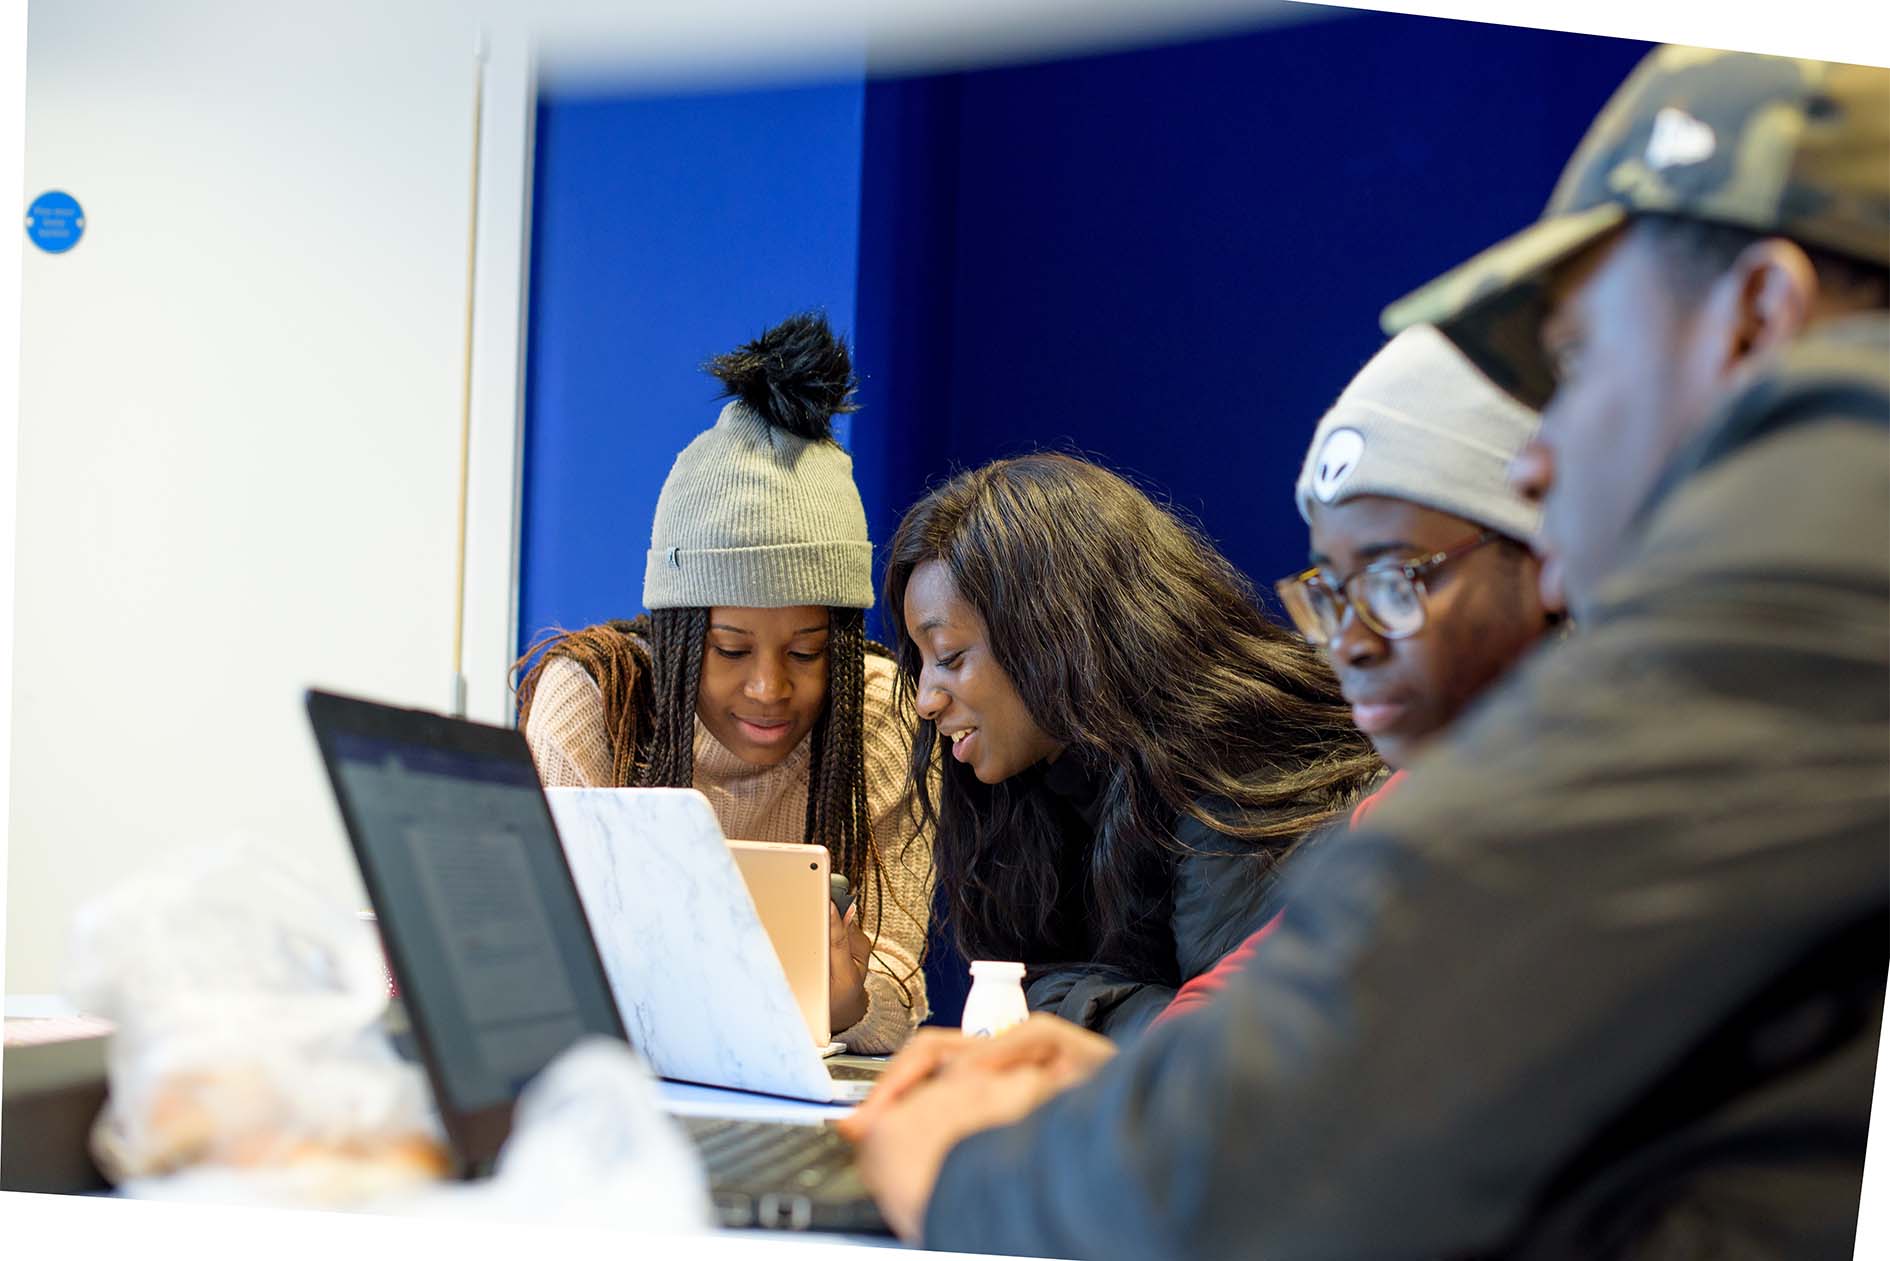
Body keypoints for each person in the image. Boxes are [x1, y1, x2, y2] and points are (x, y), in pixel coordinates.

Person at [840, 47, 1889, 1257]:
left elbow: (1263, 1159)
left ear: (1762, 317)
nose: (1536, 465)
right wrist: (1152, 1084)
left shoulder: (1787, 617)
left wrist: (969, 1170)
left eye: (1583, 365)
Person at [513, 312, 932, 1054]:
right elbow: (535, 954)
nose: (770, 687)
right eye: (730, 649)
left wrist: (848, 1002)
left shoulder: (877, 713)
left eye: (806, 653)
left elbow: (898, 982)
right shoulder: (595, 704)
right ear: (674, 639)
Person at [884, 453, 1382, 1040]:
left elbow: (1218, 1056)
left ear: (1054, 634)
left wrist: (1061, 1005)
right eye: (920, 664)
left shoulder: (1233, 772)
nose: (924, 700)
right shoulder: (1044, 784)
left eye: (949, 658)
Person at [1161, 321, 1557, 1023]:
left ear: (1546, 559)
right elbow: (1264, 985)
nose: (1351, 640)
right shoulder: (1413, 797)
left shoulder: (1594, 798)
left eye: (1394, 581)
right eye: (1331, 593)